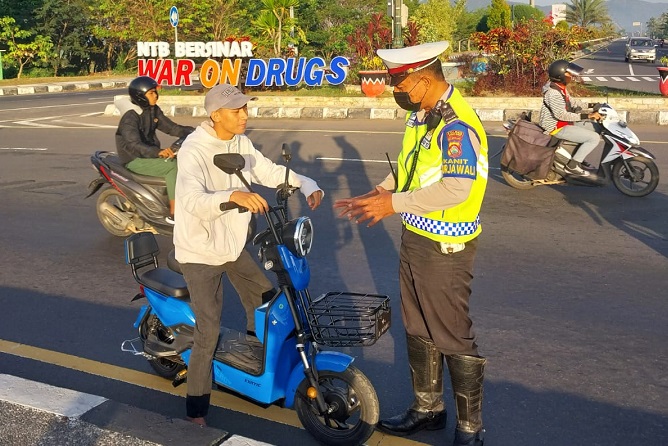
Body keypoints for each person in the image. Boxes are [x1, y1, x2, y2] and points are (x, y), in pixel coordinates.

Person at [334, 41, 488, 446]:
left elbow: (456, 188)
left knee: (452, 334)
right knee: (418, 328)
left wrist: (393, 204)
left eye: (399, 85)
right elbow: (412, 167)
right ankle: (428, 409)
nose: (395, 92)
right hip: (417, 236)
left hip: (445, 248)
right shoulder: (424, 116)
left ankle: (470, 431)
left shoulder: (455, 125)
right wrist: (379, 192)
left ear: (421, 81)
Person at [173, 83, 324, 426]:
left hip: (232, 245)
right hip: (199, 252)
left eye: (245, 108)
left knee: (266, 300)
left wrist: (307, 183)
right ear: (215, 115)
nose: (245, 115)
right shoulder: (193, 150)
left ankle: (250, 365)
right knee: (208, 330)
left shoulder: (240, 142)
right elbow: (192, 200)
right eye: (237, 110)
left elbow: (266, 169)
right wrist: (234, 196)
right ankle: (195, 413)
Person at [115, 76, 195, 223]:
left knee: (186, 160)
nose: (156, 96)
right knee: (173, 166)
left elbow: (172, 128)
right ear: (140, 96)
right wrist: (157, 152)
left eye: (155, 92)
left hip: (149, 154)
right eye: (151, 93)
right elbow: (133, 144)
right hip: (134, 159)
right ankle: (174, 213)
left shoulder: (153, 110)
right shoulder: (130, 117)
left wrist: (195, 131)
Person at [538, 60, 602, 177]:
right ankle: (573, 166)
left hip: (564, 123)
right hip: (556, 127)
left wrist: (593, 106)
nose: (571, 76)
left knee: (596, 127)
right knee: (594, 138)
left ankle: (578, 156)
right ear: (560, 76)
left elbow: (573, 103)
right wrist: (587, 116)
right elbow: (561, 115)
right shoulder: (553, 93)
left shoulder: (560, 88)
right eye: (569, 74)